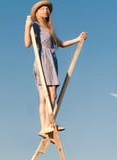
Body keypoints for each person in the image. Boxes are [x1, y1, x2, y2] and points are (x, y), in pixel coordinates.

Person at [24, 1, 87, 137]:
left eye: (47, 9)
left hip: (52, 61)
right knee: (43, 96)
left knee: (53, 95)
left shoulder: (49, 29)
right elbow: (27, 43)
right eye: (42, 9)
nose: (45, 11)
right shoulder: (35, 26)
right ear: (37, 12)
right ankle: (45, 126)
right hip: (42, 60)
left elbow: (61, 43)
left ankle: (49, 123)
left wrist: (78, 39)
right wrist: (27, 25)